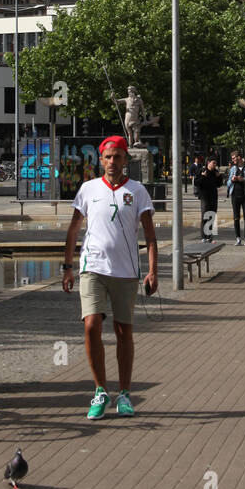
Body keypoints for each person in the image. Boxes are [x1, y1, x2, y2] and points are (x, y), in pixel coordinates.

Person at [61, 135, 158, 419]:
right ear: (100, 160)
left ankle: (124, 393)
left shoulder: (138, 191)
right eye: (108, 157)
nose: (112, 162)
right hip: (93, 268)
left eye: (118, 157)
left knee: (123, 331)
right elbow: (73, 230)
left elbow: (150, 236)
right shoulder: (88, 189)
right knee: (91, 324)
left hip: (126, 272)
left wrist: (152, 271)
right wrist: (68, 267)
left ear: (126, 160)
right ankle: (100, 390)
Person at [227, 153, 245, 245]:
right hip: (235, 196)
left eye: (234, 158)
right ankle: (238, 238)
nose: (233, 160)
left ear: (239, 157)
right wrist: (232, 180)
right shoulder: (233, 169)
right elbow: (228, 183)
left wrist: (244, 179)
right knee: (236, 218)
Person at [196, 156, 223, 241]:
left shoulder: (216, 172)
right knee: (205, 215)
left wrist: (219, 177)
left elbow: (219, 184)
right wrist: (203, 176)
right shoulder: (202, 171)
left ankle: (210, 235)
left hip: (213, 195)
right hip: (204, 196)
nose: (215, 165)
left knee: (212, 215)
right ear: (208, 162)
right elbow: (197, 183)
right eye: (213, 163)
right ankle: (203, 236)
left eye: (215, 163)